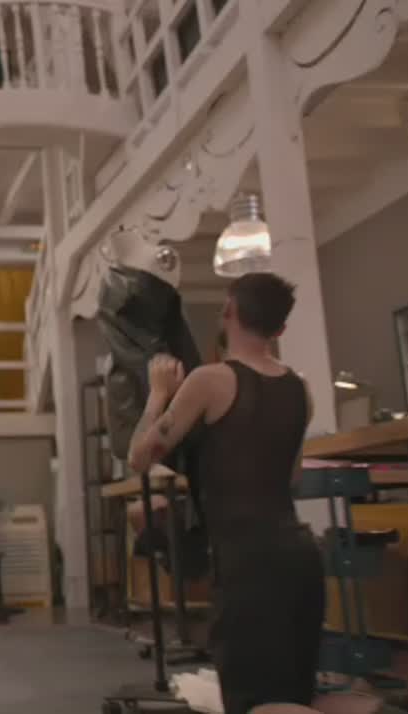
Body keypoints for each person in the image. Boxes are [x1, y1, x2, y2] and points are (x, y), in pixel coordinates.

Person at [127, 272, 324, 714]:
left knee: (251, 702)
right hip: (300, 560)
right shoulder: (301, 390)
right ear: (281, 329)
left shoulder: (209, 380)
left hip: (247, 567)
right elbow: (290, 477)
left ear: (228, 312)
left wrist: (158, 394)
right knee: (294, 699)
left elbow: (139, 457)